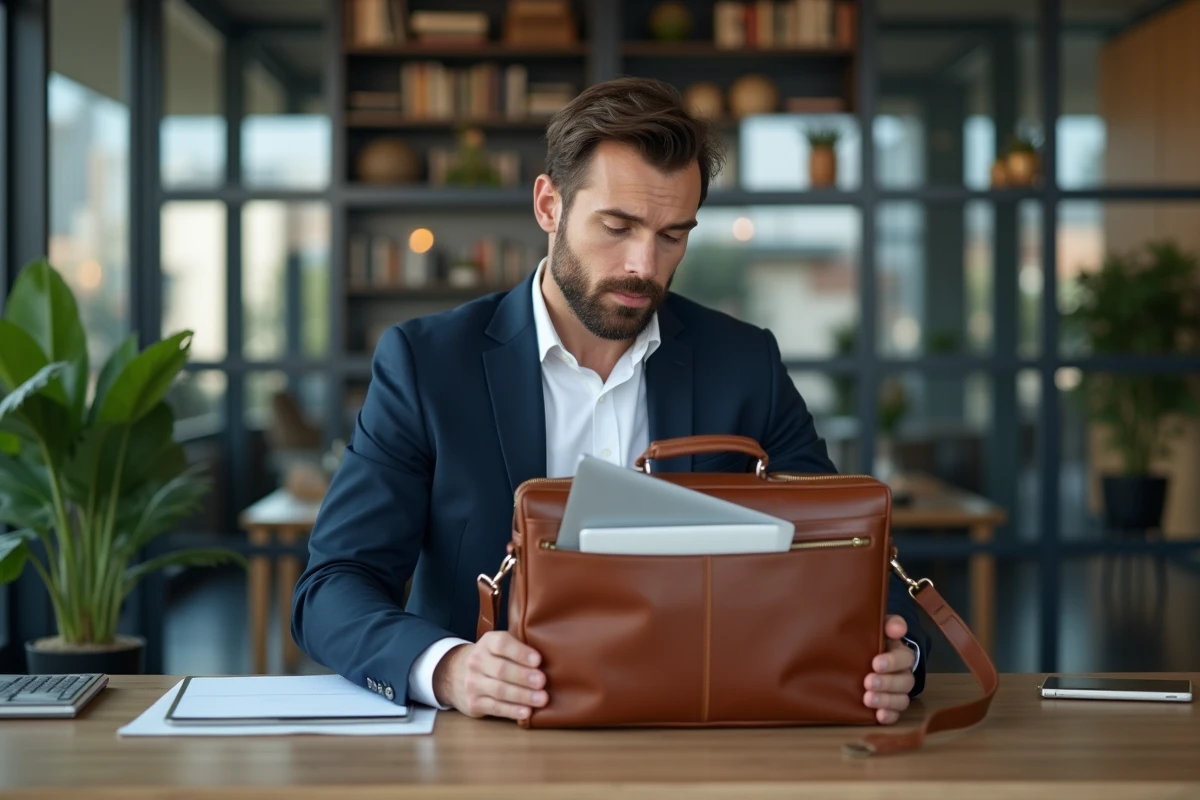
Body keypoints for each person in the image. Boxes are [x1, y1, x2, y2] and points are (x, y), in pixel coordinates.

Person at [292, 76, 928, 725]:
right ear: (548, 205)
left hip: (706, 729)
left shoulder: (745, 364)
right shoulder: (427, 365)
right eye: (618, 226)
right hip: (490, 743)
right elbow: (331, 587)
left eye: (673, 235)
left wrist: (899, 656)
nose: (645, 266)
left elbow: (845, 564)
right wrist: (449, 669)